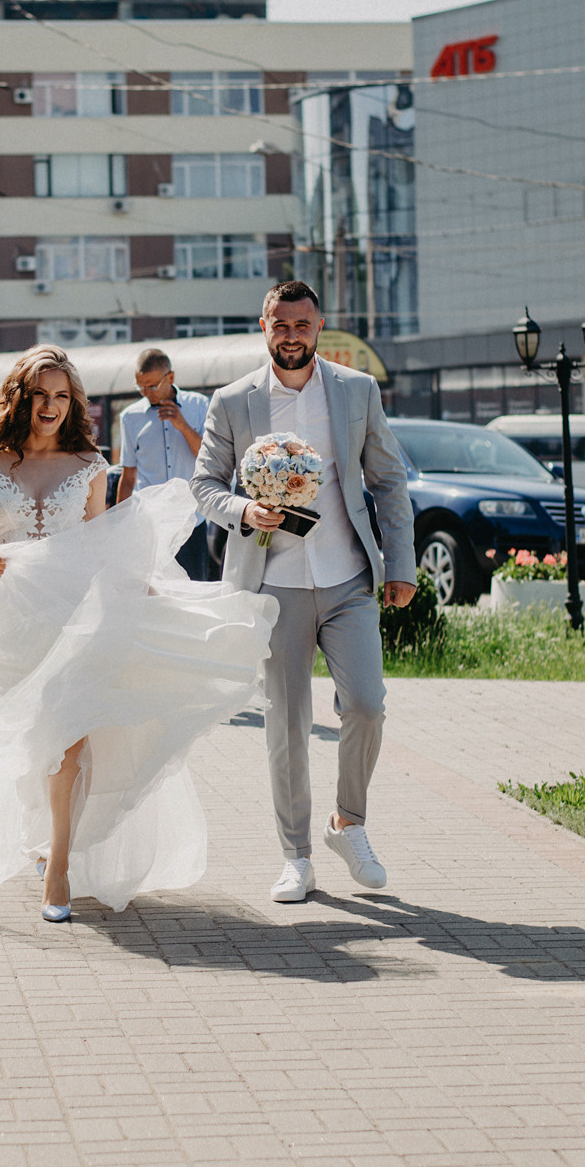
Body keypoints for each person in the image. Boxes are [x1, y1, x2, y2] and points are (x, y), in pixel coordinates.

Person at [0, 345, 276, 922]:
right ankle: (42, 835)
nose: (51, 406)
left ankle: (58, 866)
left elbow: (100, 539)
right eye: (41, 395)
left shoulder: (88, 466)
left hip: (74, 613)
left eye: (62, 396)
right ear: (21, 397)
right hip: (10, 618)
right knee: (34, 740)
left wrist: (141, 587)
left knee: (68, 739)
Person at [192, 280, 417, 905]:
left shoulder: (356, 390)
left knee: (366, 705)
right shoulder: (233, 401)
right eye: (279, 324)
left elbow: (389, 482)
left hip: (348, 579)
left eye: (302, 324)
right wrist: (244, 510)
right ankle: (296, 856)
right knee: (286, 725)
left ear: (319, 326)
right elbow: (204, 483)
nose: (291, 335)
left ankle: (349, 822)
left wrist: (400, 565)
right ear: (263, 326)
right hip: (275, 586)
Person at [113, 347, 215, 580]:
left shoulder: (199, 405)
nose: (146, 393)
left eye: (152, 386)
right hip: (150, 526)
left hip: (192, 521)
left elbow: (210, 459)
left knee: (193, 593)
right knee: (153, 596)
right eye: (141, 387)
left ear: (170, 377)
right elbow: (128, 477)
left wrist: (183, 426)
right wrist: (120, 527)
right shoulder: (130, 417)